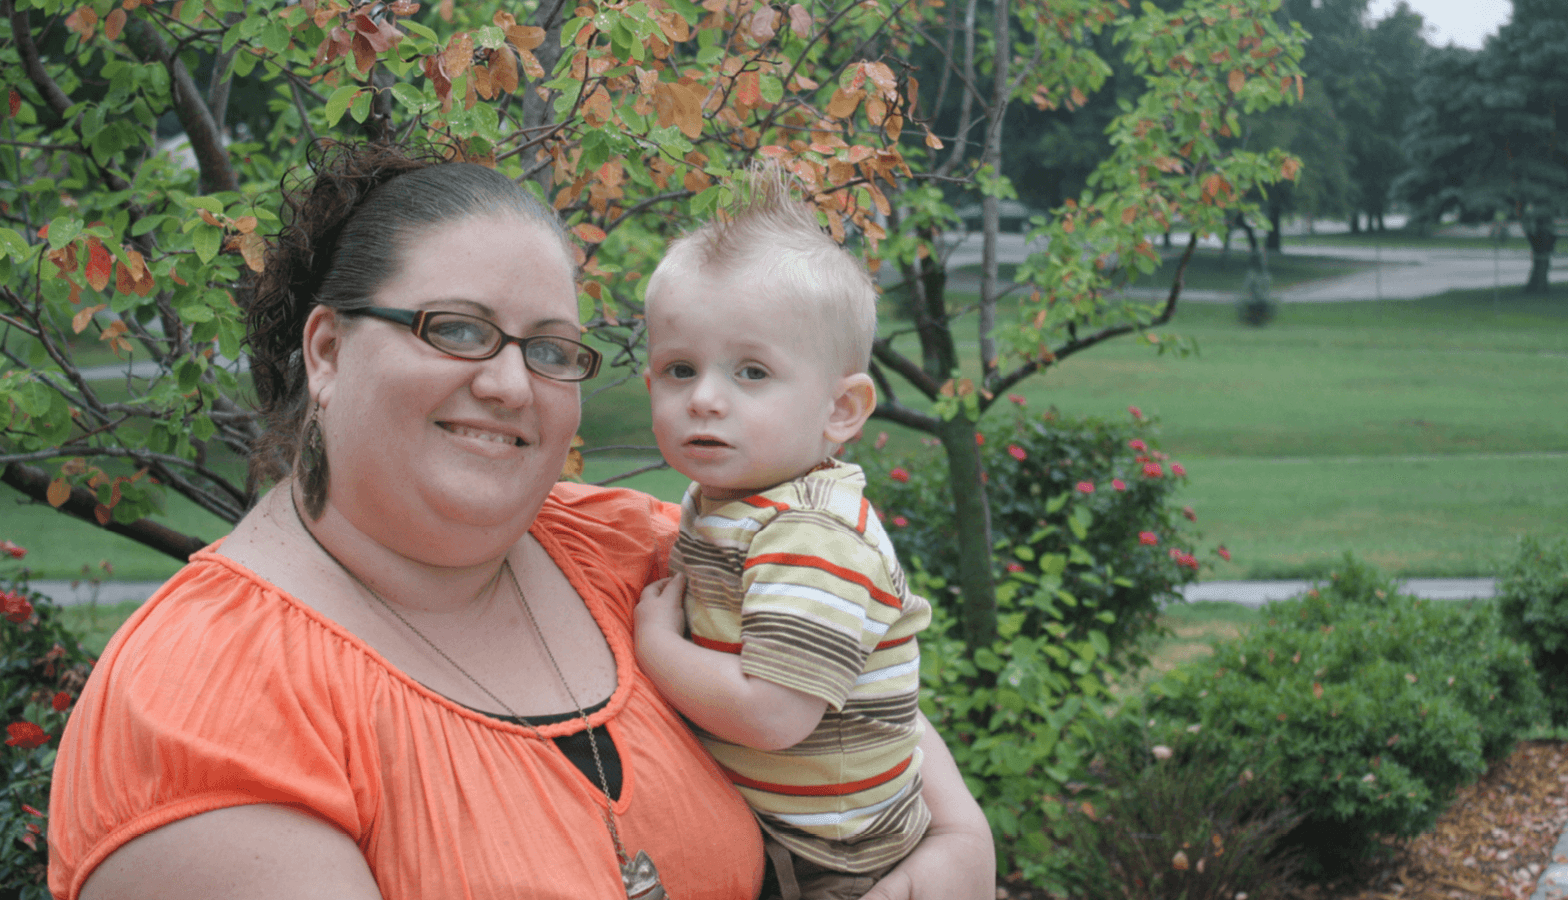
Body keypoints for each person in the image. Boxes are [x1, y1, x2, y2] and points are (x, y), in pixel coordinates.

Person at [45, 142, 995, 900]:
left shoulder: (635, 551)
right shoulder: (204, 706)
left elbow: (860, 695)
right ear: (327, 350)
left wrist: (956, 847)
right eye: (455, 329)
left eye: (549, 349)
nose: (508, 385)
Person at [633, 171, 928, 900]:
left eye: (752, 371)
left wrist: (656, 649)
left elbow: (772, 713)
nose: (704, 398)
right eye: (679, 369)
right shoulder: (734, 499)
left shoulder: (810, 534)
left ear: (842, 409)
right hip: (790, 832)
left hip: (838, 860)